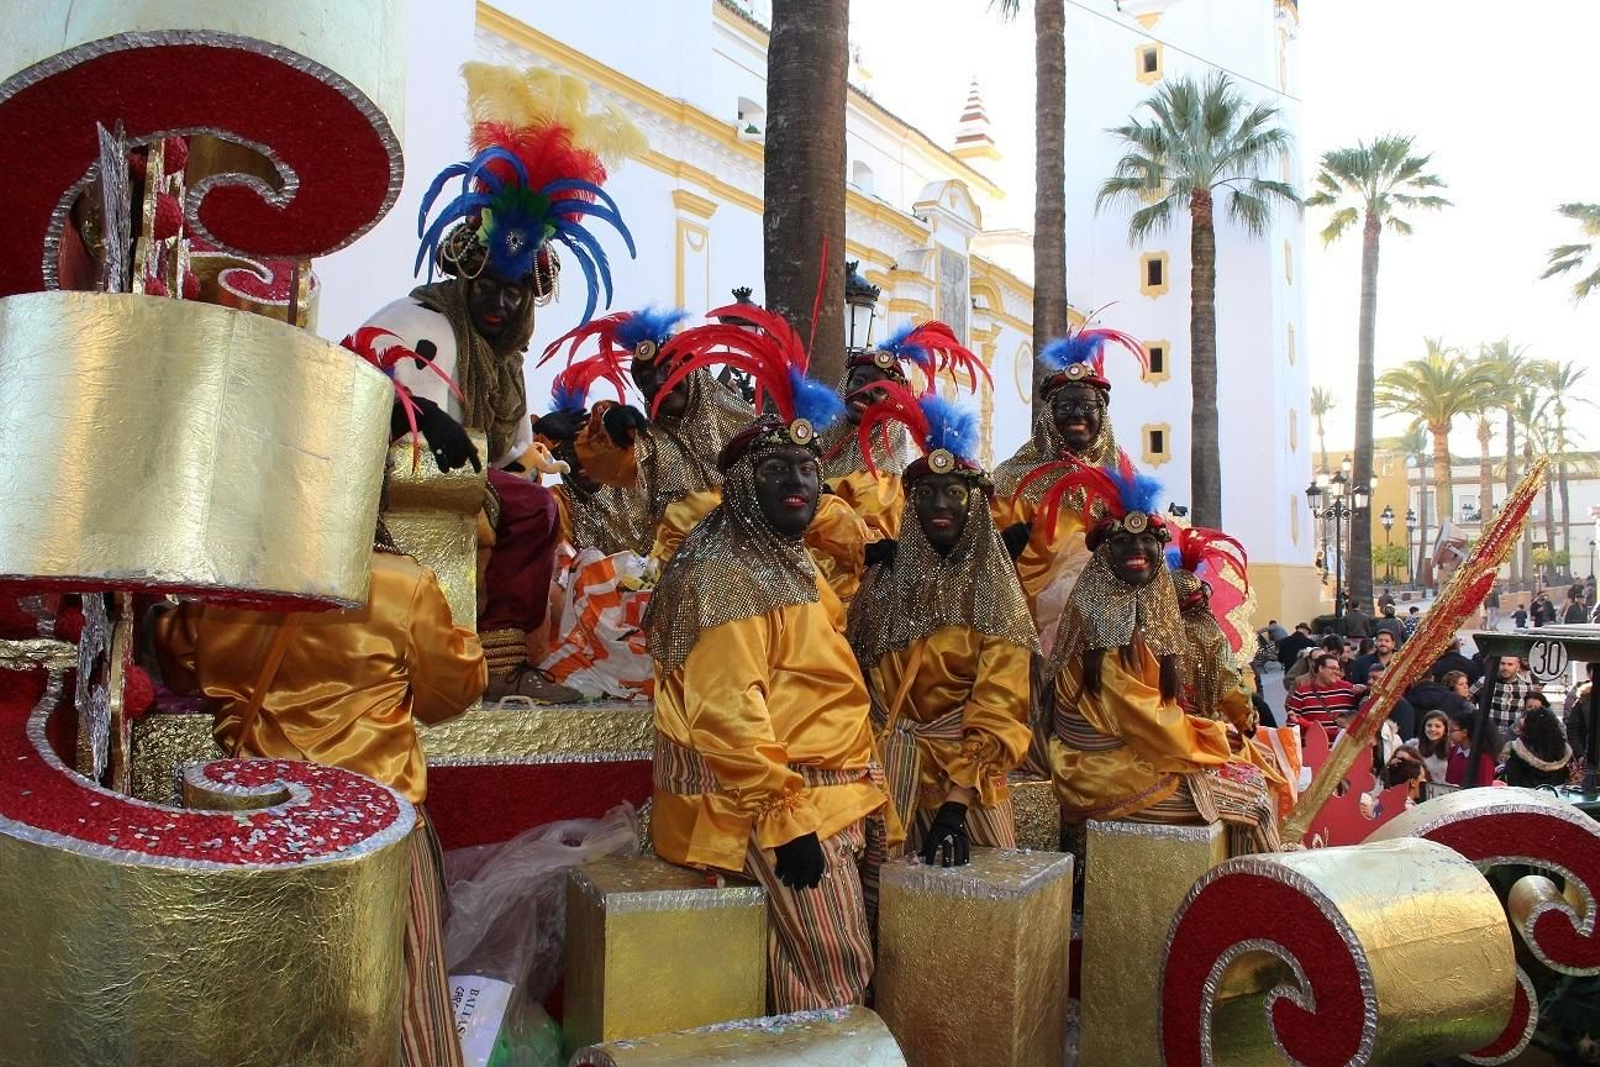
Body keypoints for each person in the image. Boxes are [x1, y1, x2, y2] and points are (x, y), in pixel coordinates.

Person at [156, 512, 488, 1067]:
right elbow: (451, 692)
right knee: (404, 1001)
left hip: (261, 830)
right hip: (374, 829)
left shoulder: (226, 585)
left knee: (267, 1001)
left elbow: (178, 664)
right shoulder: (399, 583)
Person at [364, 62, 645, 704]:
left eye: (513, 292)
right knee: (532, 508)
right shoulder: (422, 320)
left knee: (550, 508)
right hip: (403, 472)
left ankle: (516, 653)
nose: (498, 303)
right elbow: (381, 390)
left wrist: (568, 466)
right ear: (465, 284)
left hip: (461, 472)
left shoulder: (506, 357)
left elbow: (512, 449)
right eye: (486, 289)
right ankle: (492, 659)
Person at [642, 302, 891, 1013]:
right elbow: (728, 714)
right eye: (777, 468)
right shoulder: (722, 568)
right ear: (743, 482)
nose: (798, 483)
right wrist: (789, 821)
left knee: (820, 971)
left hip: (840, 790)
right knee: (832, 977)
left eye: (809, 470)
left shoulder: (788, 557)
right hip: (777, 805)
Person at [1041, 461, 1283, 856]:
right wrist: (1216, 735)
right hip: (1101, 773)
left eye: (1147, 542)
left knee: (1251, 776)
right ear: (1104, 558)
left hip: (1127, 758)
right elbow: (1147, 721)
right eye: (1122, 543)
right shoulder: (1107, 624)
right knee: (1253, 802)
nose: (1137, 550)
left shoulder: (1132, 615)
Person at [846, 384, 1037, 863]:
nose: (939, 505)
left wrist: (955, 809)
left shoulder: (994, 589)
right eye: (926, 493)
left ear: (974, 506)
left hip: (965, 791)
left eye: (954, 493)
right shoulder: (882, 583)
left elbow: (1000, 706)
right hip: (888, 781)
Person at [542, 305, 754, 566]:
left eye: (668, 368)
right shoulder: (650, 444)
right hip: (680, 582)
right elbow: (611, 459)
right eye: (645, 377)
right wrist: (609, 423)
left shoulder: (749, 431)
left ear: (694, 370)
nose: (657, 382)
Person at [990, 322, 1147, 653]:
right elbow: (990, 554)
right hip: (1026, 627)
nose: (1078, 415)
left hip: (1115, 623)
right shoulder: (1012, 477)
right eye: (1066, 407)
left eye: (1088, 407)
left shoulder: (1123, 477)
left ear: (1102, 415)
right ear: (1050, 415)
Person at [820, 318, 987, 544]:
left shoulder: (892, 485)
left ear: (893, 403)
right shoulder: (811, 452)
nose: (864, 391)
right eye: (858, 381)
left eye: (879, 390)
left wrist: (826, 503)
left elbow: (873, 543)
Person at [1167, 525, 1293, 816]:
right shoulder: (1210, 636)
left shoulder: (1149, 631)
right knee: (1264, 786)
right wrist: (1247, 721)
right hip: (1200, 736)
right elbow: (1229, 690)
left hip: (1154, 733)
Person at [1284, 653, 1361, 740]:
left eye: (1338, 669)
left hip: (1343, 748)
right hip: (1315, 748)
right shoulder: (1302, 693)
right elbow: (1292, 725)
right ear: (1320, 668)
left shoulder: (1349, 689)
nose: (1337, 672)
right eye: (1333, 668)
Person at [1505, 706, 1573, 789]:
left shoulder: (1517, 749)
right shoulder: (1562, 750)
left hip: (1525, 796)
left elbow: (1513, 779)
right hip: (1555, 797)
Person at [1470, 656, 1534, 739]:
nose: (1505, 668)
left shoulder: (1526, 686)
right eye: (1503, 664)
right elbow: (1467, 698)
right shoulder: (1486, 681)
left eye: (1510, 664)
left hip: (1514, 738)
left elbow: (1529, 710)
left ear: (1517, 666)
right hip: (1488, 736)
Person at [1446, 706, 1501, 787]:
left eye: (1451, 730)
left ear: (1464, 732)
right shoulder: (1454, 751)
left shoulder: (1483, 760)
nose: (1448, 734)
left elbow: (1483, 789)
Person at [1416, 710, 1452, 784]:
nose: (1432, 729)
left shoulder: (1453, 749)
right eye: (1429, 726)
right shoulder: (1414, 748)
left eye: (1437, 726)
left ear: (1445, 730)